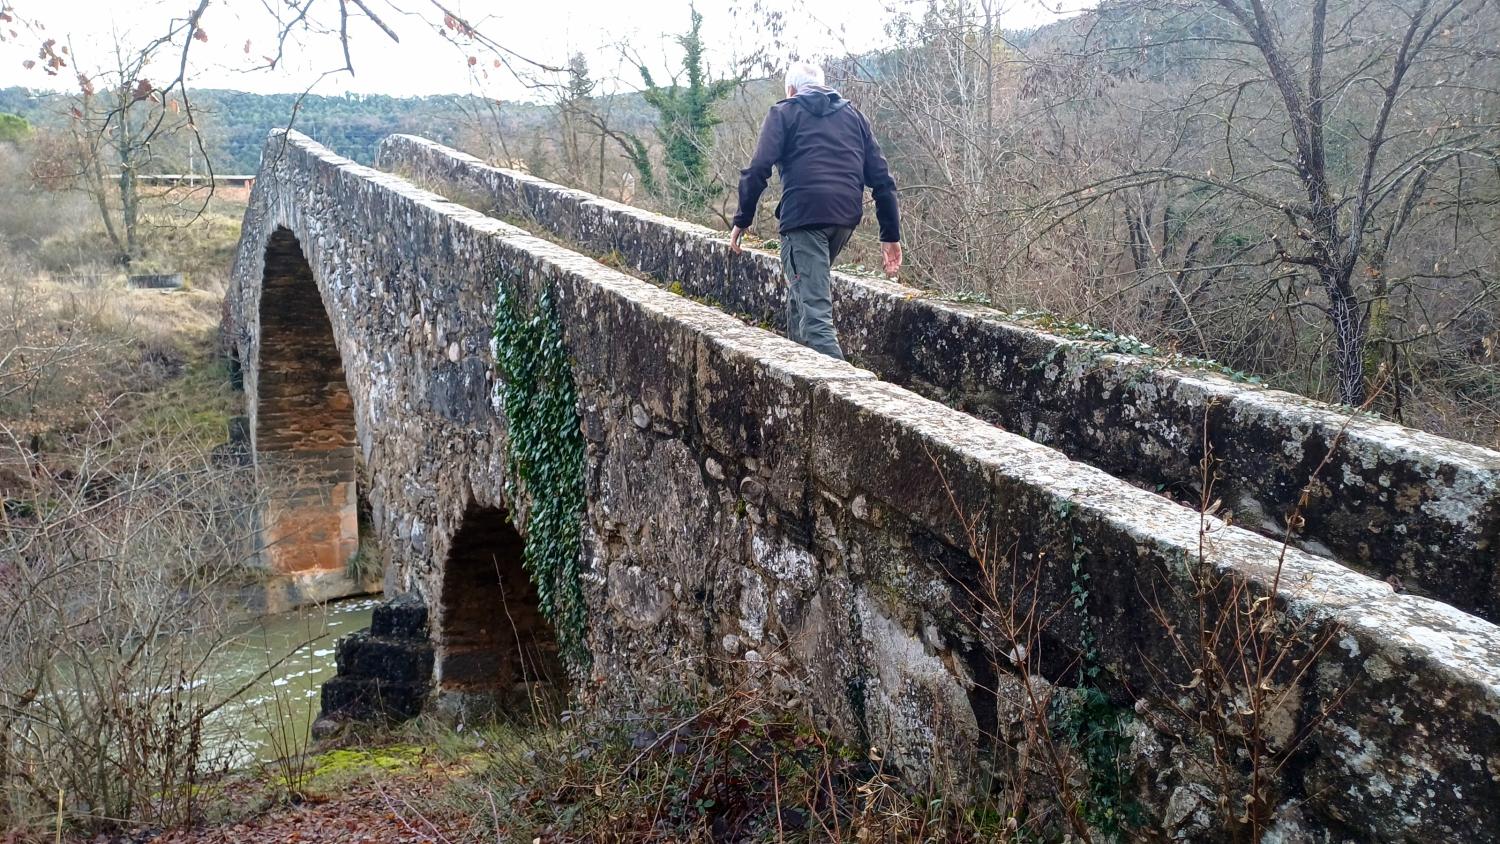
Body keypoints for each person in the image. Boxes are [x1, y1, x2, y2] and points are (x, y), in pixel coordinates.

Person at [729, 60, 902, 360]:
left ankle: (849, 394)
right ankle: (799, 371)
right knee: (801, 298)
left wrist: (742, 219)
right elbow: (883, 181)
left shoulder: (784, 112)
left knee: (816, 318)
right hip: (844, 220)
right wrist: (890, 235)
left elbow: (758, 168)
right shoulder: (854, 117)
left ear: (792, 89)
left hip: (804, 219)